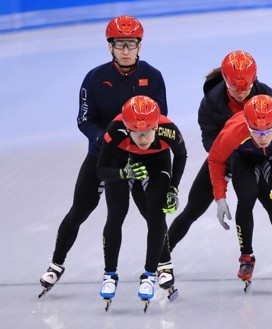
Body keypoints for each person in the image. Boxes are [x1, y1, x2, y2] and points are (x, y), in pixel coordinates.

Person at [39, 15, 169, 297]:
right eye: (120, 44)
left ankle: (164, 265)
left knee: (153, 213)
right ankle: (56, 263)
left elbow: (161, 116)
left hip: (143, 156)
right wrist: (105, 138)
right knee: (80, 211)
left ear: (139, 46)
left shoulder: (153, 76)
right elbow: (84, 120)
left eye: (131, 44)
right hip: (105, 157)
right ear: (109, 46)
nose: (125, 50)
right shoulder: (95, 78)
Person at [164, 50, 272, 260]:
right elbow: (209, 141)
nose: (240, 93)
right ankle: (161, 255)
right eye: (234, 88)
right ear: (224, 80)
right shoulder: (210, 104)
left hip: (258, 158)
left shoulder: (269, 97)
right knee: (193, 208)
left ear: (254, 80)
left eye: (246, 88)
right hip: (225, 159)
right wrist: (234, 160)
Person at [208, 94, 272, 290]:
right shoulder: (233, 130)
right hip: (244, 159)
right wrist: (220, 198)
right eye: (255, 132)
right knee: (246, 197)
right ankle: (246, 255)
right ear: (246, 124)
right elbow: (215, 160)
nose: (262, 137)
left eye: (268, 131)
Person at [96, 95, 186, 307]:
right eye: (136, 133)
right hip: (123, 160)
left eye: (147, 132)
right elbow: (100, 170)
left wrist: (173, 189)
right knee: (116, 214)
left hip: (158, 161)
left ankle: (149, 275)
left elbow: (181, 155)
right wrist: (123, 172)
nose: (143, 138)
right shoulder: (116, 128)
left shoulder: (168, 129)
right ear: (127, 129)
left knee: (156, 214)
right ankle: (109, 274)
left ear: (156, 126)